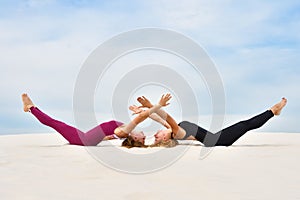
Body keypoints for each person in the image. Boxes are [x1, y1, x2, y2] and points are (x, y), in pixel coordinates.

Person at [131, 95, 287, 147]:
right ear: (165, 138)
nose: (156, 133)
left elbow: (160, 119)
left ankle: (273, 112)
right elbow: (168, 118)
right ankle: (273, 111)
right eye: (157, 137)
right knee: (245, 125)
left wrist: (143, 112)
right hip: (220, 141)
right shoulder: (177, 133)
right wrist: (152, 105)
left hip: (216, 137)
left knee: (244, 124)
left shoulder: (173, 130)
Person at [21, 93, 171, 146]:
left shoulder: (125, 131)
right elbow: (106, 136)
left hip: (81, 140)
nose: (145, 136)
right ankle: (31, 108)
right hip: (83, 137)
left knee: (55, 123)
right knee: (58, 123)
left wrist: (158, 105)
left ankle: (31, 108)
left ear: (135, 138)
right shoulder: (122, 132)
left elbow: (140, 118)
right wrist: (143, 110)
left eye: (142, 139)